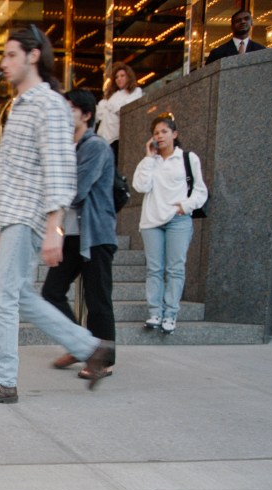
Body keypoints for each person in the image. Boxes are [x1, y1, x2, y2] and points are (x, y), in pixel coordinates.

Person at [0, 25, 114, 405]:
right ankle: (90, 346)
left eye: (11, 55)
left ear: (32, 56)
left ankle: (3, 380)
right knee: (18, 295)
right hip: (15, 214)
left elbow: (60, 169)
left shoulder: (49, 104)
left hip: (28, 215)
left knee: (0, 295)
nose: (3, 63)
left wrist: (54, 229)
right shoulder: (25, 104)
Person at [42, 89, 118, 379]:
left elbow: (77, 190)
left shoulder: (95, 146)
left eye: (70, 108)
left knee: (98, 299)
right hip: (72, 233)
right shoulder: (65, 148)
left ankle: (104, 361)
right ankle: (81, 344)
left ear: (86, 115)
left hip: (96, 235)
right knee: (52, 292)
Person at [132, 114, 208, 334]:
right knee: (154, 269)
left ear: (174, 134)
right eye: (156, 133)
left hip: (178, 219)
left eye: (164, 131)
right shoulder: (150, 162)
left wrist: (185, 205)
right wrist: (148, 157)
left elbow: (200, 189)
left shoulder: (187, 158)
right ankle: (155, 312)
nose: (160, 136)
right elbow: (140, 186)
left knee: (175, 269)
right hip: (151, 222)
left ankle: (170, 314)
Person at [94, 63, 142, 157]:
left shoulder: (135, 91)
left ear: (129, 76)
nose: (119, 79)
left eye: (122, 76)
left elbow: (126, 109)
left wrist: (110, 106)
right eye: (116, 77)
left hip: (117, 137)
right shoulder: (112, 95)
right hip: (103, 136)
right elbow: (99, 112)